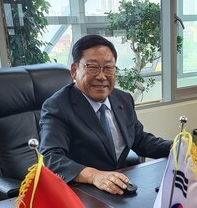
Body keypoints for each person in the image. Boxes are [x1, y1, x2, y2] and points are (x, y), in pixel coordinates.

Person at [39, 34, 172, 195]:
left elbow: (139, 139)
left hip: (120, 187)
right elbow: (51, 158)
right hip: (82, 193)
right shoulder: (58, 106)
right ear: (74, 71)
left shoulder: (123, 99)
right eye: (93, 67)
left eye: (108, 68)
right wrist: (94, 175)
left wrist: (175, 148)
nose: (102, 76)